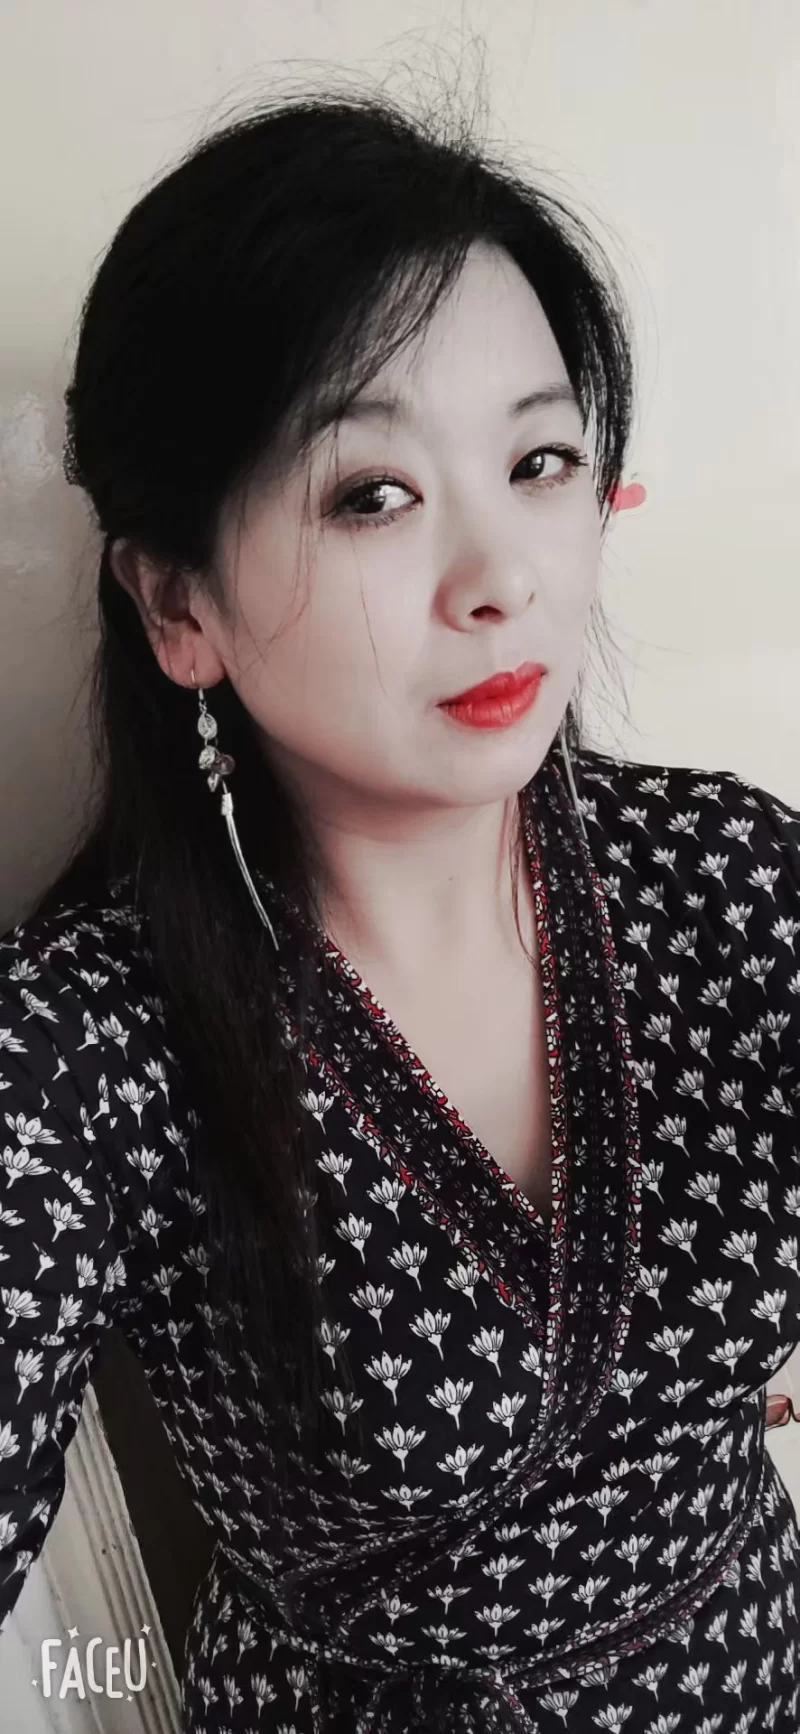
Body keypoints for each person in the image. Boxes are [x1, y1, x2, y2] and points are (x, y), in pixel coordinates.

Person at [1, 85, 799, 1734]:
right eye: (374, 493)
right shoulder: (88, 1046)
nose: (500, 574)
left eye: (538, 459)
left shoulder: (730, 873)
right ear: (179, 601)